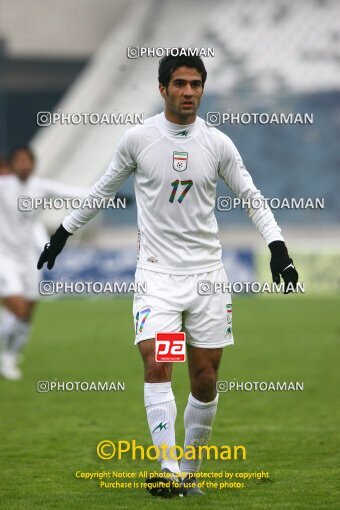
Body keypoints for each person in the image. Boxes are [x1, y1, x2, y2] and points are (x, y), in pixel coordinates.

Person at [37, 54, 298, 497]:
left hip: (206, 279)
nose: (189, 91)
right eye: (180, 83)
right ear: (163, 89)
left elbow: (251, 196)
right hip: (157, 278)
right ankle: (168, 467)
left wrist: (278, 247)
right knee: (159, 362)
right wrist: (63, 232)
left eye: (196, 84)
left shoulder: (218, 144)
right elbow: (102, 188)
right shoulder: (139, 139)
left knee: (205, 378)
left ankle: (189, 474)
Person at [0, 146, 86, 380]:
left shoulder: (41, 186)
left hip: (30, 258)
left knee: (26, 313)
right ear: (12, 165)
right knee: (17, 308)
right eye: (18, 161)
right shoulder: (3, 186)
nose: (23, 165)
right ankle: (7, 357)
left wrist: (111, 197)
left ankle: (12, 351)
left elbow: (72, 193)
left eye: (27, 161)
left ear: (33, 164)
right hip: (5, 258)